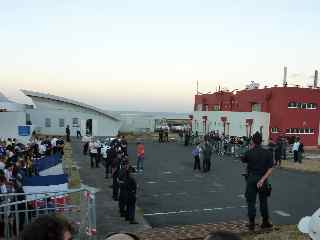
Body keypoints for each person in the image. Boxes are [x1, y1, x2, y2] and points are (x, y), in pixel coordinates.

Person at [241, 132, 273, 231]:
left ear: (253, 141)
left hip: (251, 179)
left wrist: (250, 148)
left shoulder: (249, 152)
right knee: (263, 201)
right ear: (261, 141)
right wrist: (262, 180)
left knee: (251, 202)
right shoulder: (267, 153)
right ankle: (265, 222)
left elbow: (243, 160)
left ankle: (251, 223)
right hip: (262, 179)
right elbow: (270, 169)